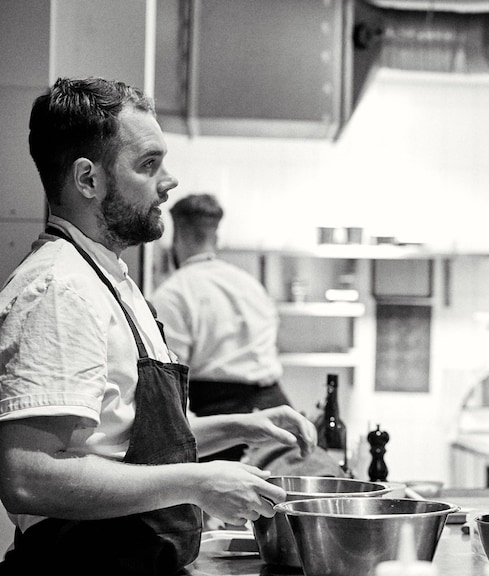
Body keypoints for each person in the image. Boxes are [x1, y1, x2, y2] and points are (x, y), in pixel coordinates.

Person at [0, 77, 317, 575]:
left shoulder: (109, 280)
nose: (169, 181)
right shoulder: (60, 288)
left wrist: (241, 424)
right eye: (149, 164)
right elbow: (28, 476)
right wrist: (196, 482)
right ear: (88, 180)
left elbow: (128, 440)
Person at [151, 193, 290, 463]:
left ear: (176, 238)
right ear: (216, 238)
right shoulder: (251, 285)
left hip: (220, 422)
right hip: (276, 411)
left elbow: (169, 380)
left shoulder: (173, 293)